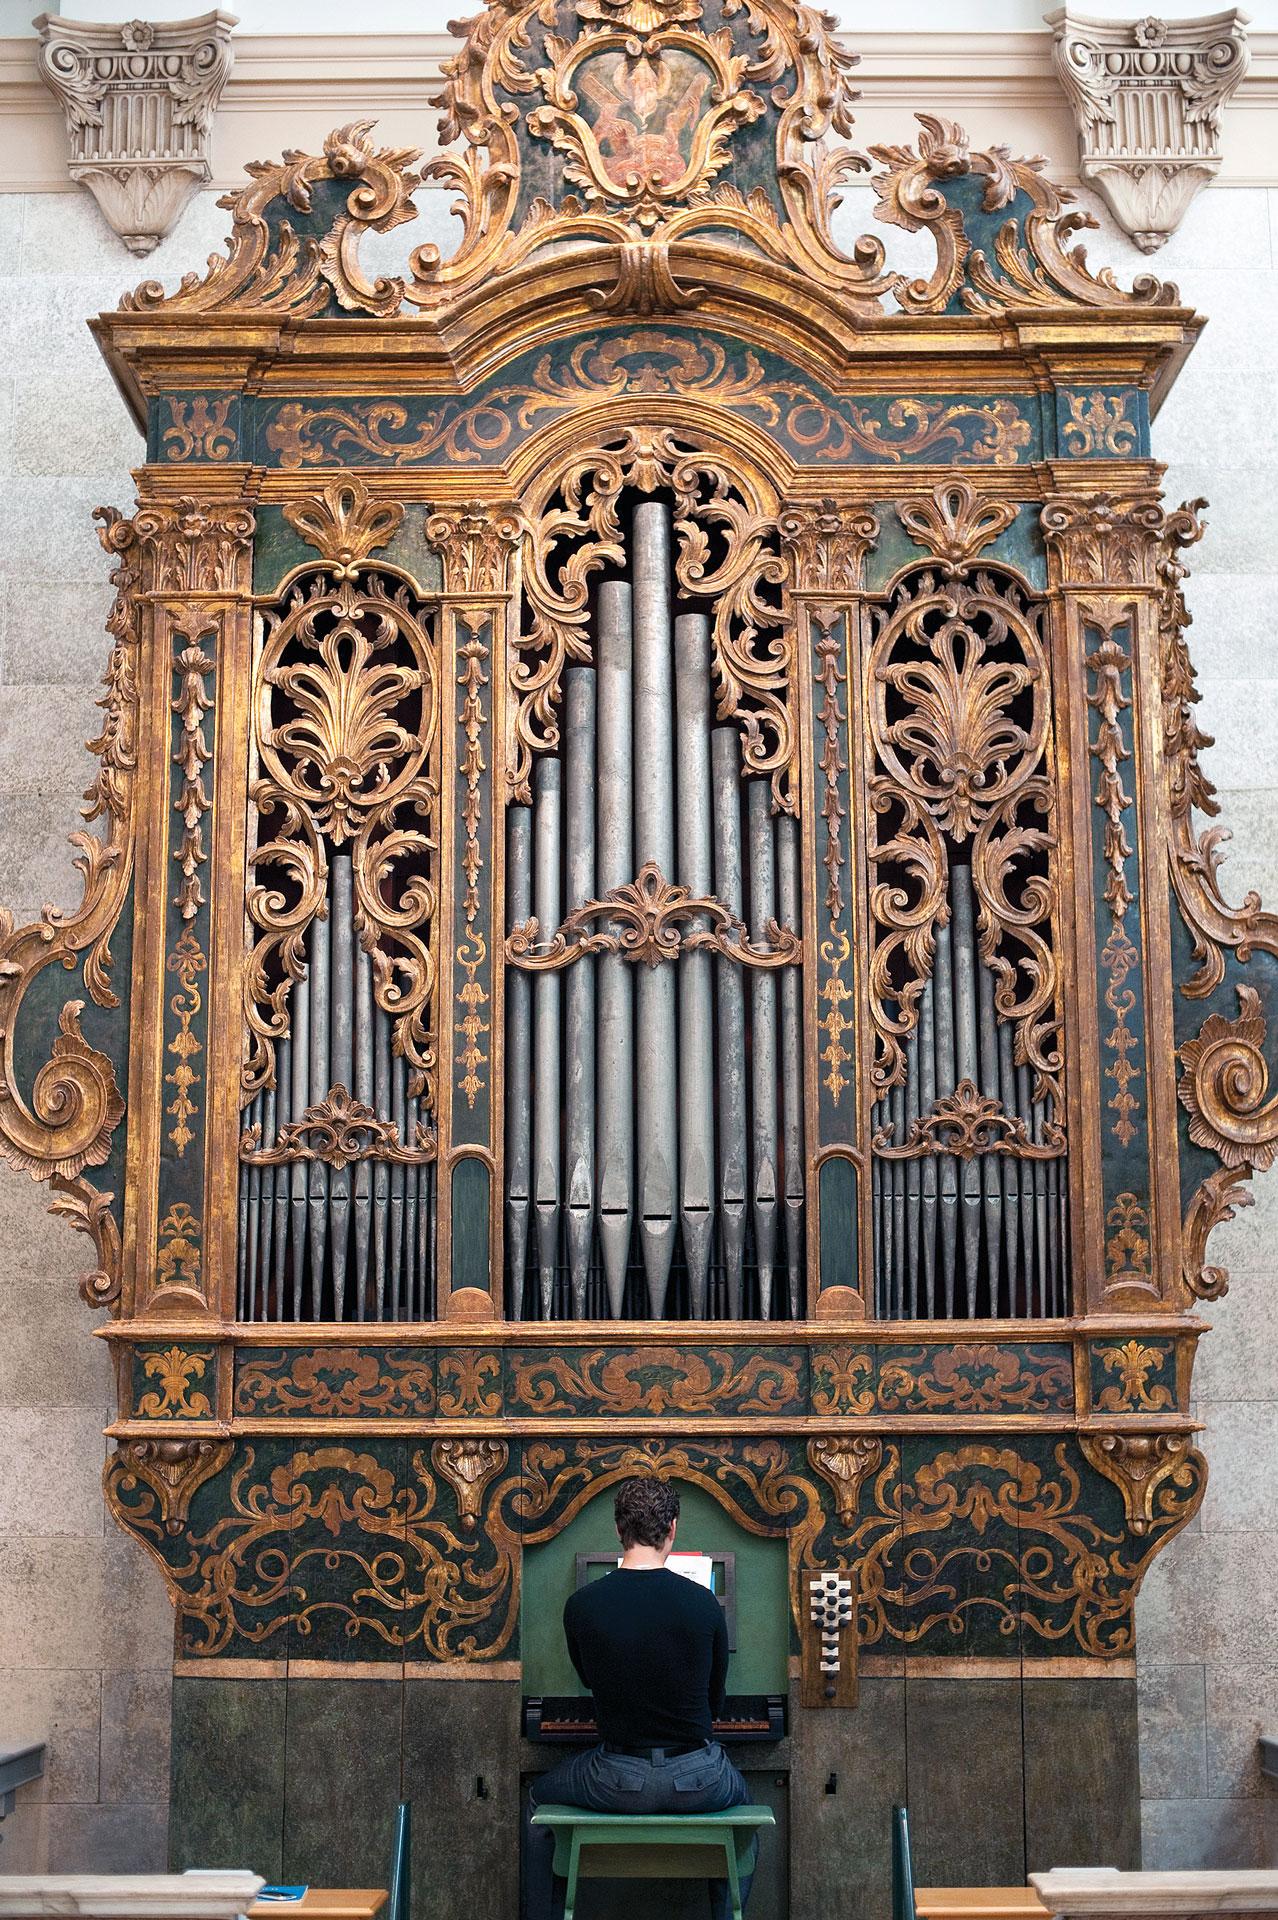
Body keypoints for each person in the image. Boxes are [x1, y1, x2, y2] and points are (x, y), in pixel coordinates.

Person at [523, 1475, 757, 1920]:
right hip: (700, 1780)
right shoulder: (705, 1603)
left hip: (616, 1778)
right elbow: (715, 1702)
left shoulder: (582, 1605)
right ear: (672, 1528)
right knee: (745, 1815)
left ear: (618, 1530)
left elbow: (590, 1681)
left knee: (539, 1801)